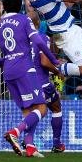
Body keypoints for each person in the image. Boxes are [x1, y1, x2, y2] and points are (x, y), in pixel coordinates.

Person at [0, 0, 61, 158]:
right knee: (42, 108)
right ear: (20, 7)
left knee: (28, 110)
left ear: (3, 6)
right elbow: (38, 42)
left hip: (8, 72)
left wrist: (2, 61)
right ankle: (15, 132)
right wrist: (53, 59)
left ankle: (30, 146)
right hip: (25, 69)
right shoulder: (24, 20)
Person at [28, 12, 65, 153]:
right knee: (56, 108)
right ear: (39, 23)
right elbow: (44, 61)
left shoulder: (22, 40)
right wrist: (57, 72)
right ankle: (56, 144)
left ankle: (28, 140)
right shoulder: (42, 37)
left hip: (25, 82)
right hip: (41, 82)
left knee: (32, 112)